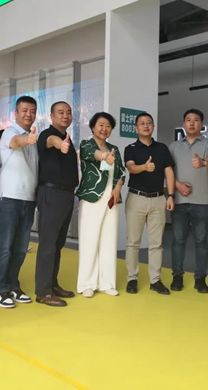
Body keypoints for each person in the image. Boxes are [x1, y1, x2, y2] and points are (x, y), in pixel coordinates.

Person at [0, 96, 39, 309]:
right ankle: (2, 289)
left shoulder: (33, 137)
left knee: (21, 248)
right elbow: (15, 142)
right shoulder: (9, 133)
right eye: (24, 110)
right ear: (16, 113)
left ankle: (13, 285)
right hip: (9, 198)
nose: (28, 114)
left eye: (32, 111)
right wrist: (27, 140)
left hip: (29, 199)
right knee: (6, 246)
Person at [124, 112, 175, 295]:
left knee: (156, 243)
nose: (146, 126)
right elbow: (131, 168)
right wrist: (144, 167)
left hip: (158, 199)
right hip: (136, 198)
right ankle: (132, 279)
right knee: (133, 242)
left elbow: (169, 172)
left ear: (153, 126)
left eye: (149, 123)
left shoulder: (162, 148)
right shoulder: (131, 148)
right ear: (136, 128)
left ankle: (155, 280)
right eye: (142, 123)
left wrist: (170, 196)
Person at [34, 102, 79, 307]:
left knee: (58, 244)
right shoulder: (48, 135)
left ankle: (52, 284)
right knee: (48, 244)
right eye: (60, 112)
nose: (65, 116)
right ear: (51, 116)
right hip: (51, 193)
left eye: (68, 112)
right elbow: (51, 141)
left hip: (66, 195)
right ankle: (43, 292)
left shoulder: (67, 137)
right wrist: (60, 144)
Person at [169, 109, 208, 294]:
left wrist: (203, 162)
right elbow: (168, 172)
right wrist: (178, 185)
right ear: (183, 124)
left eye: (196, 120)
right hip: (179, 201)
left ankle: (200, 278)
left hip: (202, 202)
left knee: (201, 241)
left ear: (201, 125)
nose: (192, 123)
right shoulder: (174, 146)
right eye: (188, 120)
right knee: (178, 240)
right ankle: (177, 276)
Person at [76, 112, 125, 298]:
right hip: (92, 197)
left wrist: (118, 188)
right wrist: (105, 156)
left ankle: (107, 283)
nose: (104, 129)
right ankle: (87, 283)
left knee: (109, 239)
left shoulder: (115, 148)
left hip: (112, 198)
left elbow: (121, 171)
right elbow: (92, 155)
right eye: (101, 125)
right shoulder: (86, 144)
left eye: (108, 126)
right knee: (89, 239)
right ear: (93, 127)